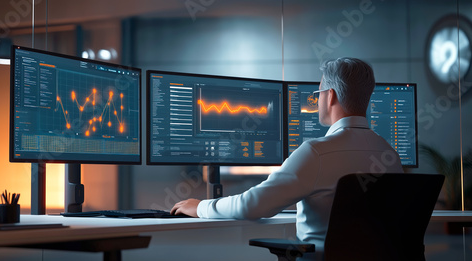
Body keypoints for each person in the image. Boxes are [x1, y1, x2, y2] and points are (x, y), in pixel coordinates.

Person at [171, 57, 403, 256]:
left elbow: (253, 205)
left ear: (330, 96)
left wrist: (201, 206)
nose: (318, 99)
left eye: (318, 93)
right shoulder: (390, 155)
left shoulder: (317, 152)